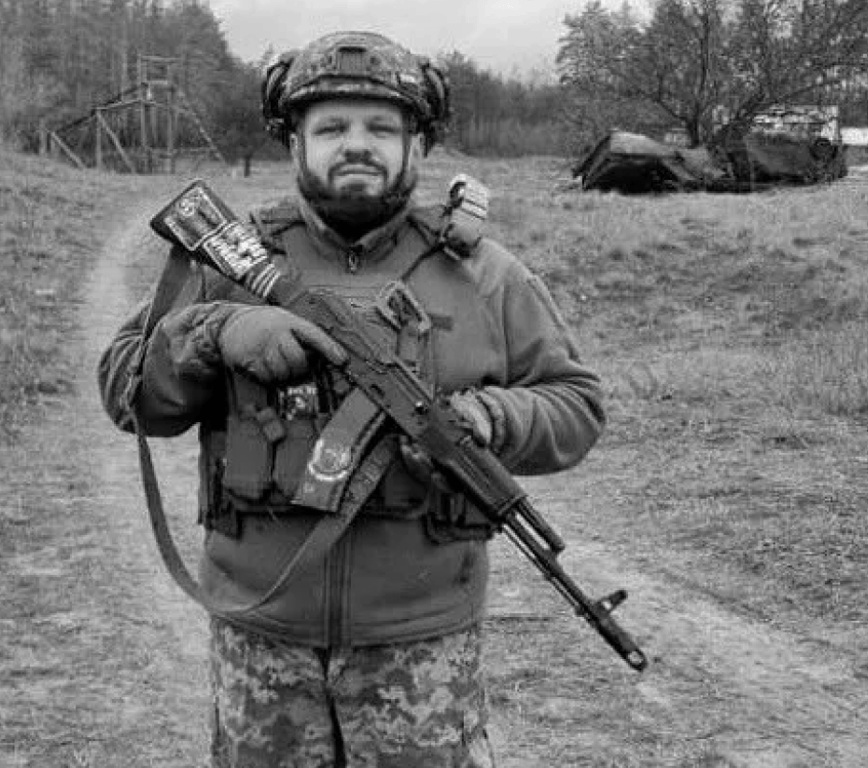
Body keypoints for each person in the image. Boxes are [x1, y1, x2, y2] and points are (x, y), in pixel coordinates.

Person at [99, 30, 605, 768]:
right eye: (331, 127)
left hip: (422, 645)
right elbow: (125, 391)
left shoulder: (488, 276)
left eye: (381, 129)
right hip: (261, 639)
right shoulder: (231, 259)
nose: (357, 145)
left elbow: (577, 404)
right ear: (294, 143)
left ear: (416, 146)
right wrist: (215, 330)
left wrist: (488, 418)